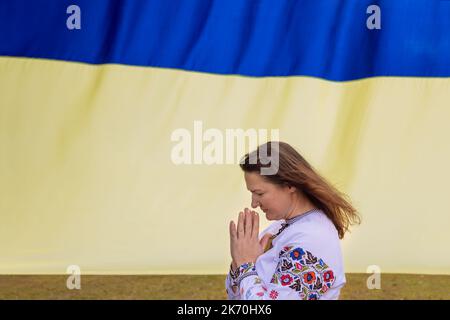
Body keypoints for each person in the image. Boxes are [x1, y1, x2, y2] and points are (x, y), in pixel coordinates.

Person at [226, 141, 360, 300]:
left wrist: (245, 266)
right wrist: (239, 262)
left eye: (259, 194)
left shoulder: (313, 240)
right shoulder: (279, 228)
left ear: (289, 185)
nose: (254, 204)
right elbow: (236, 297)